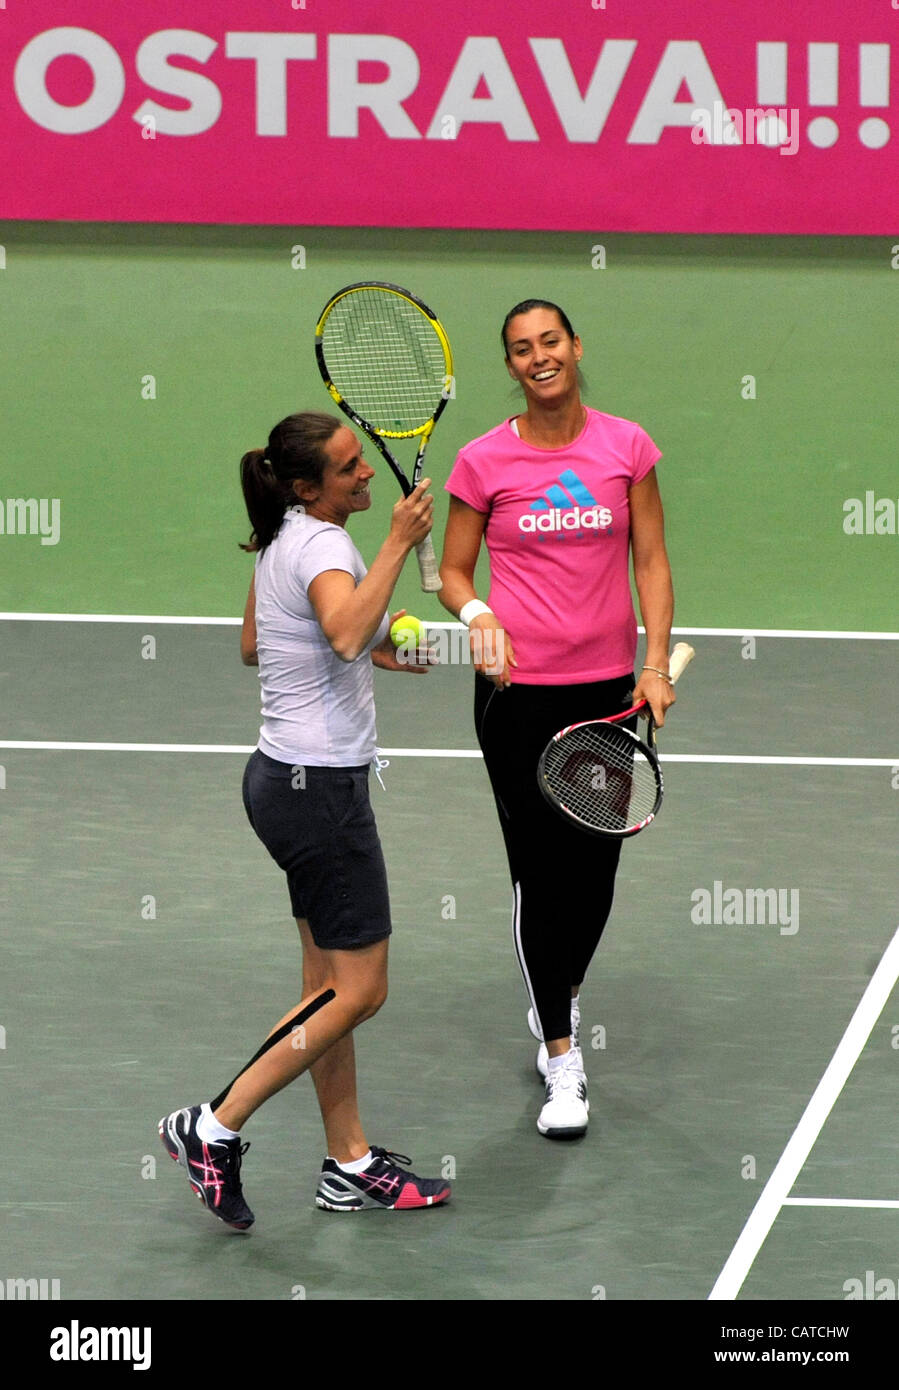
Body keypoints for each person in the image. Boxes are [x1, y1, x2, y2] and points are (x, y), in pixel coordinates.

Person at [159, 410, 451, 1224]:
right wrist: (395, 545)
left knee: (325, 989)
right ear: (305, 486)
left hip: (279, 783)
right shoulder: (325, 544)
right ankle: (211, 1126)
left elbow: (261, 640)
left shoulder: (286, 533)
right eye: (349, 467)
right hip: (318, 795)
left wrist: (372, 643)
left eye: (363, 463)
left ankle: (348, 1162)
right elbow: (345, 630)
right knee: (359, 992)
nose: (365, 475)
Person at [439, 300, 676, 1140]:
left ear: (576, 346)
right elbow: (452, 570)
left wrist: (654, 661)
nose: (537, 358)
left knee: (597, 868)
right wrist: (476, 619)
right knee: (541, 875)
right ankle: (563, 1058)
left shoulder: (625, 447)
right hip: (518, 696)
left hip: (608, 689)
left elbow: (649, 557)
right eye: (519, 350)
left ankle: (555, 985)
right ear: (509, 367)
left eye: (548, 342)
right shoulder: (483, 461)